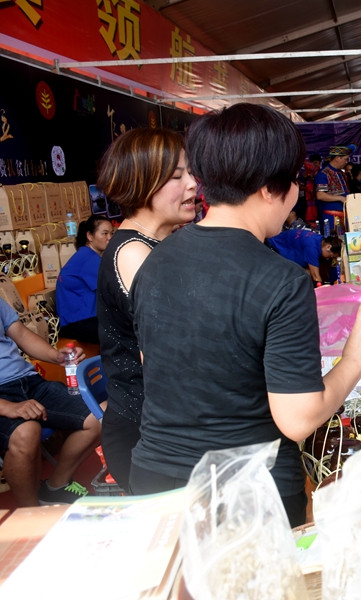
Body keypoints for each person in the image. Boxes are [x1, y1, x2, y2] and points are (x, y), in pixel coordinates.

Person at [128, 103, 361, 527]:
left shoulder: (155, 260)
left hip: (157, 481)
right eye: (292, 183)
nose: (295, 195)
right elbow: (298, 418)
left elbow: (153, 363)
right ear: (271, 188)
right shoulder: (281, 281)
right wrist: (357, 357)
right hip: (247, 493)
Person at [95, 127, 198, 491]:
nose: (192, 184)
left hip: (168, 430)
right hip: (148, 438)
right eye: (176, 177)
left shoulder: (161, 243)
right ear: (142, 184)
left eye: (190, 173)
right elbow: (169, 359)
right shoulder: (134, 253)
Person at [0, 298, 101, 506]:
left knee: (99, 415)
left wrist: (56, 357)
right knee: (26, 432)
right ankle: (31, 512)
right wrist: (7, 406)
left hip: (27, 381)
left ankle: (55, 486)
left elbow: (20, 333)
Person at [55, 214, 113, 344]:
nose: (109, 238)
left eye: (111, 233)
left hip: (85, 319)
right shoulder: (87, 257)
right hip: (78, 323)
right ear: (90, 236)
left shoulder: (90, 256)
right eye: (104, 234)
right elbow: (112, 288)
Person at [267, 228, 342, 284]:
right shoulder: (312, 248)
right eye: (331, 256)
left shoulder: (319, 239)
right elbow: (316, 277)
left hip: (280, 249)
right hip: (272, 250)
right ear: (328, 247)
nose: (328, 258)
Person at [315, 145, 354, 233]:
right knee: (334, 242)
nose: (346, 162)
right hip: (331, 217)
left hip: (344, 215)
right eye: (345, 159)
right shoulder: (323, 173)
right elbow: (320, 195)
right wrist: (340, 198)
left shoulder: (342, 173)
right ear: (337, 158)